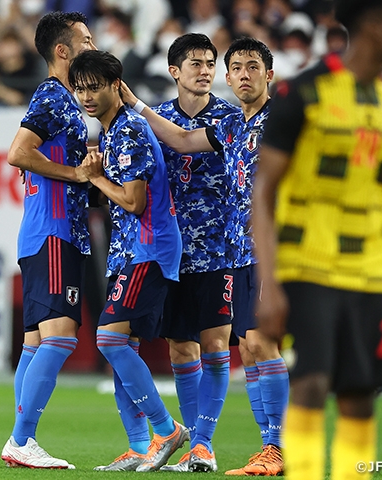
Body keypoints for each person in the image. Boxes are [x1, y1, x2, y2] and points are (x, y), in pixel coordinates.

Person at [121, 36, 289, 476]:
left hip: (257, 249)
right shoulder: (234, 126)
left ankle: (260, 446)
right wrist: (135, 104)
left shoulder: (281, 120)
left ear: (269, 74)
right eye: (236, 68)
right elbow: (178, 139)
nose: (242, 74)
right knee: (238, 347)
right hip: (222, 250)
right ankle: (264, 450)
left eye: (252, 67)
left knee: (250, 343)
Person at [252, 0, 382, 478]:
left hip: (370, 270)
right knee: (313, 383)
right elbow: (264, 191)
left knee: (361, 393)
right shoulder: (304, 91)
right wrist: (270, 284)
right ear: (373, 27)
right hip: (307, 263)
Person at [70, 49, 188, 472]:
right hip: (130, 248)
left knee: (109, 339)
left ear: (116, 86)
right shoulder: (111, 132)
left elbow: (136, 201)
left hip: (149, 247)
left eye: (95, 87)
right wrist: (98, 177)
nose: (86, 96)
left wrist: (95, 177)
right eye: (79, 88)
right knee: (124, 344)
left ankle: (165, 429)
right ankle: (139, 447)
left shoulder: (131, 130)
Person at [0, 11, 94, 470]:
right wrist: (76, 172)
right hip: (55, 230)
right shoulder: (55, 96)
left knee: (36, 341)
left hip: (44, 230)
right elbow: (18, 152)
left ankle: (21, 438)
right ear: (63, 50)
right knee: (60, 336)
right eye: (86, 39)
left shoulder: (64, 100)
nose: (92, 46)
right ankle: (22, 438)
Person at [146, 33, 239, 473]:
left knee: (217, 344)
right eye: (195, 63)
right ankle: (190, 445)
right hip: (171, 253)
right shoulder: (155, 119)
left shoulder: (231, 118)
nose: (204, 70)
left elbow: (185, 140)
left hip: (220, 248)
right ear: (174, 71)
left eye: (209, 62)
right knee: (181, 350)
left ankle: (203, 444)